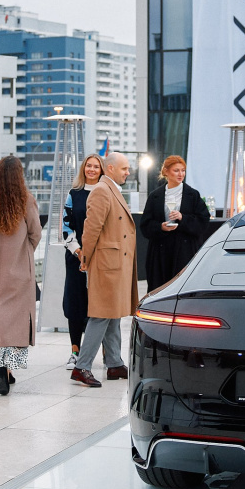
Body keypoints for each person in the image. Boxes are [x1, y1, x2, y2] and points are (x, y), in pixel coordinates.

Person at [0, 156, 42, 396]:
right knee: (17, 322)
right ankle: (9, 369)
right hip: (19, 271)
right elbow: (35, 233)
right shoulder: (26, 200)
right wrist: (24, 251)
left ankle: (0, 368)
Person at [72, 152, 138, 387]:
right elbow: (91, 229)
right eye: (124, 168)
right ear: (110, 168)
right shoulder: (102, 190)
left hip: (115, 263)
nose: (128, 172)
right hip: (106, 264)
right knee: (101, 315)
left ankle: (114, 363)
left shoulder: (111, 189)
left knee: (113, 314)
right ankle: (82, 367)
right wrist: (86, 258)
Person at [60, 154, 105, 370]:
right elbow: (66, 227)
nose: (92, 169)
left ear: (102, 170)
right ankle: (75, 352)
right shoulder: (74, 194)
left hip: (101, 258)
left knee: (100, 305)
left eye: (96, 166)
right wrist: (79, 251)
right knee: (75, 303)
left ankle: (105, 353)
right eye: (89, 166)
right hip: (76, 257)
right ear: (83, 168)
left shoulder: (107, 193)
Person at [140, 155, 211, 291]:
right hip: (160, 253)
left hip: (185, 252)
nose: (181, 174)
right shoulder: (155, 196)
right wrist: (160, 227)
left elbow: (203, 222)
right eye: (176, 170)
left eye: (183, 170)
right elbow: (145, 225)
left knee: (183, 289)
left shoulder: (193, 195)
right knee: (160, 290)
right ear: (166, 171)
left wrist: (182, 218)